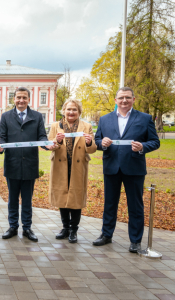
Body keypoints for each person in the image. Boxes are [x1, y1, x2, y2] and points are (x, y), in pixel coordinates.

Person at [93, 87, 160, 253]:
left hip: (134, 168)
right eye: (121, 98)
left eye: (128, 98)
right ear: (116, 100)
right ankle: (106, 235)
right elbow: (97, 140)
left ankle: (135, 241)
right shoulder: (104, 119)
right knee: (110, 204)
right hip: (111, 167)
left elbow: (155, 141)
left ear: (133, 99)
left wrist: (143, 146)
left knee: (135, 206)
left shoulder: (145, 119)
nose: (124, 101)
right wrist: (102, 143)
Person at [0, 87, 52, 242]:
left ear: (29, 99)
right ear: (14, 99)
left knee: (27, 199)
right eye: (18, 97)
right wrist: (1, 147)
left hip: (30, 164)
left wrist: (47, 145)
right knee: (12, 199)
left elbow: (41, 136)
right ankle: (13, 226)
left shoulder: (37, 116)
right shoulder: (6, 116)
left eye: (24, 98)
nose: (21, 100)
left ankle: (27, 228)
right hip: (12, 163)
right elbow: (3, 137)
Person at [48, 99, 97, 243]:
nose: (71, 112)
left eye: (74, 110)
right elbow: (50, 145)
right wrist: (57, 141)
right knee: (63, 195)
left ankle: (74, 229)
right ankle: (65, 228)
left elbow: (93, 149)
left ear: (79, 112)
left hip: (78, 166)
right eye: (68, 109)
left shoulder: (86, 126)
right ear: (63, 111)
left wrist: (89, 142)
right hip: (60, 165)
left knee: (75, 196)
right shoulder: (56, 126)